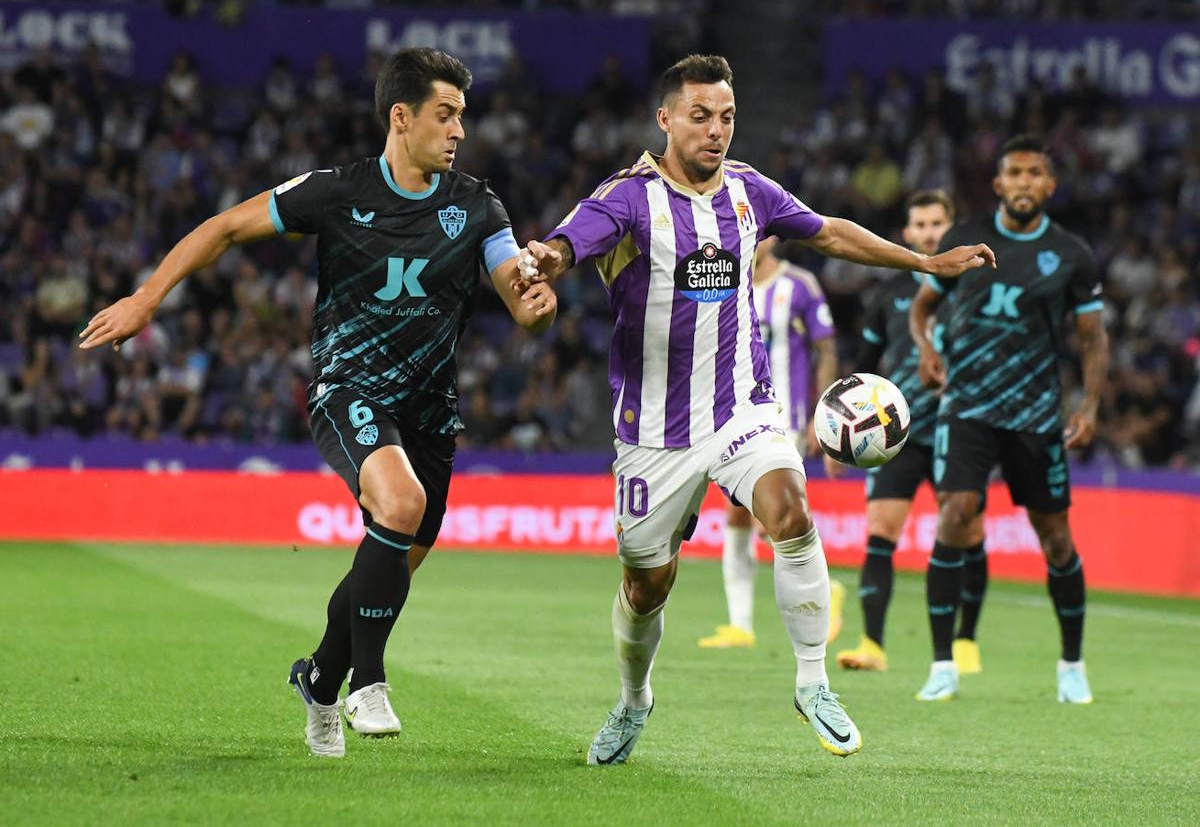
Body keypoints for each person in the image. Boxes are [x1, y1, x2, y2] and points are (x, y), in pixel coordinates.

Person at [79, 48, 560, 757]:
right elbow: (224, 228)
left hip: (430, 415)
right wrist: (147, 299)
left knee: (391, 558)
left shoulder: (477, 205)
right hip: (350, 391)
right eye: (445, 114)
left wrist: (539, 300)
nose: (459, 130)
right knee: (399, 507)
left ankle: (321, 678)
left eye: (463, 116)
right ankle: (369, 679)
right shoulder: (338, 192)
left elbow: (524, 306)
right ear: (402, 117)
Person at [518, 54, 995, 762]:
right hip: (655, 429)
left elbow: (828, 229)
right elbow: (568, 243)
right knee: (647, 585)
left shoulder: (749, 191)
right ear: (666, 119)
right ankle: (632, 699)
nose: (717, 131)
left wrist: (922, 262)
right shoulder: (625, 197)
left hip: (743, 408)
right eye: (701, 116)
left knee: (791, 513)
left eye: (728, 117)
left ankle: (812, 683)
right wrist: (552, 259)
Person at [909, 134, 1108, 703]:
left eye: (1034, 173)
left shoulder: (1071, 254)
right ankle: (943, 664)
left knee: (1056, 539)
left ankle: (1072, 664)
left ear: (1050, 184)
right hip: (967, 404)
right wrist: (926, 348)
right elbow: (923, 307)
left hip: (1035, 414)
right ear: (998, 184)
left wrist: (1089, 404)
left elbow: (1093, 339)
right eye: (1013, 173)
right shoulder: (961, 240)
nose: (1023, 182)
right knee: (954, 515)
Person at [836, 190, 989, 674]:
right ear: (906, 234)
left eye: (937, 223)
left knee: (969, 530)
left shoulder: (977, 287)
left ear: (953, 226)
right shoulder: (888, 296)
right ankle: (872, 646)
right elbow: (864, 366)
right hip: (895, 433)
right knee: (880, 532)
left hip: (960, 428)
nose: (929, 232)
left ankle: (966, 642)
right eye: (920, 225)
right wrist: (837, 426)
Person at [697, 235, 845, 650]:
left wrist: (824, 413)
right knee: (738, 516)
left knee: (771, 515)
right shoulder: (719, 283)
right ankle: (740, 625)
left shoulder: (799, 285)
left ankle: (826, 591)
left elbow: (826, 347)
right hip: (731, 417)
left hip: (786, 418)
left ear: (773, 237)